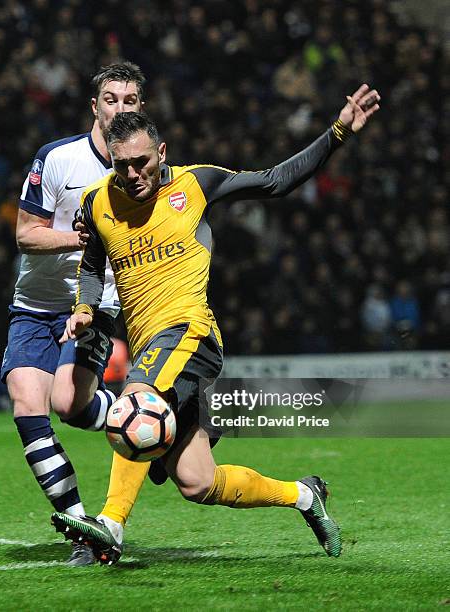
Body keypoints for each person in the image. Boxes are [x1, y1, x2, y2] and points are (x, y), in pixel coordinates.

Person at [51, 84, 381, 565]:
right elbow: (90, 264)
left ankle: (110, 526)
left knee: (134, 404)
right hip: (151, 346)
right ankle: (306, 496)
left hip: (191, 333)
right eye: (122, 165)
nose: (134, 173)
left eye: (142, 162)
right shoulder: (97, 203)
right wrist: (84, 307)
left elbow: (275, 181)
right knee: (197, 481)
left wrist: (338, 132)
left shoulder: (196, 183)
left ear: (161, 153)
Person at [0, 62, 146, 566]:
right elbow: (25, 234)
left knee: (65, 402)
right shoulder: (57, 159)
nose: (120, 109)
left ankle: (155, 425)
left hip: (96, 302)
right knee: (27, 403)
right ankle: (85, 533)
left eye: (130, 101)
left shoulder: (144, 170)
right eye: (111, 99)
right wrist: (80, 236)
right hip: (34, 304)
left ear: (140, 107)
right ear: (95, 106)